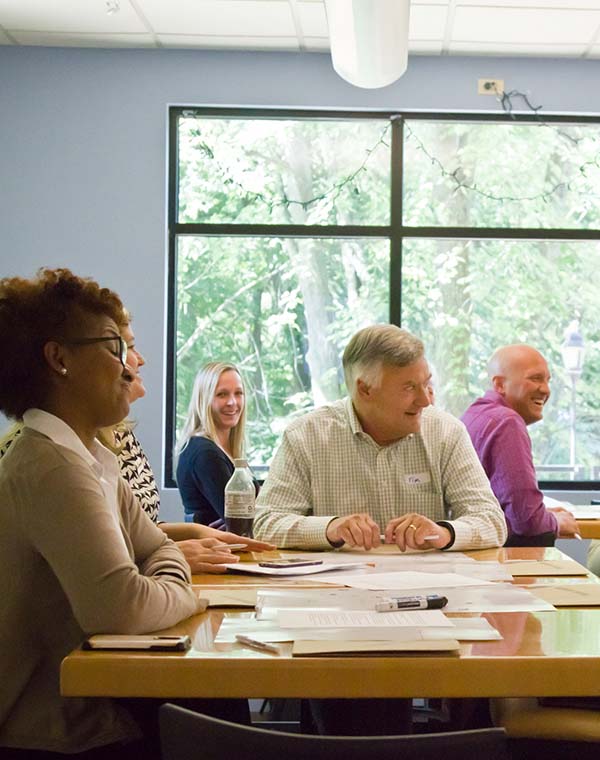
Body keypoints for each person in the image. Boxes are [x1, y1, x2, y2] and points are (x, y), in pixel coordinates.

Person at [0, 268, 210, 758]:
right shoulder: (49, 465)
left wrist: (163, 574)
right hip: (56, 730)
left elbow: (156, 546)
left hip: (89, 710)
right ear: (59, 359)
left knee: (216, 712)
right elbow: (121, 608)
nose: (129, 369)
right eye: (114, 347)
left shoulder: (88, 456)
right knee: (213, 720)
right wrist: (186, 593)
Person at [0, 324, 272, 574]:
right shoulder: (48, 456)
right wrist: (170, 555)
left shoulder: (120, 437)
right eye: (125, 348)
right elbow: (87, 568)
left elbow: (135, 529)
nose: (140, 360)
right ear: (63, 362)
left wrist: (194, 531)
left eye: (238, 394)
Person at [253, 324, 507, 552]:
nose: (425, 400)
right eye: (409, 388)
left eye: (426, 384)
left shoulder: (446, 432)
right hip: (336, 594)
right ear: (365, 389)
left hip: (427, 591)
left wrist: (443, 533)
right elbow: (266, 523)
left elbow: (491, 521)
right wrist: (330, 528)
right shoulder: (306, 436)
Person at [461, 344, 578, 546]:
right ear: (499, 385)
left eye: (548, 380)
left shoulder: (474, 415)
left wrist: (545, 515)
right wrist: (556, 522)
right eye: (535, 378)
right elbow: (527, 520)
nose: (546, 389)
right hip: (505, 562)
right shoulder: (507, 423)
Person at [176, 362, 256, 527]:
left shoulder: (225, 450)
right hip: (220, 550)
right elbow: (244, 522)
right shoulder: (205, 453)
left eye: (238, 393)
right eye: (222, 394)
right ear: (204, 399)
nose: (232, 402)